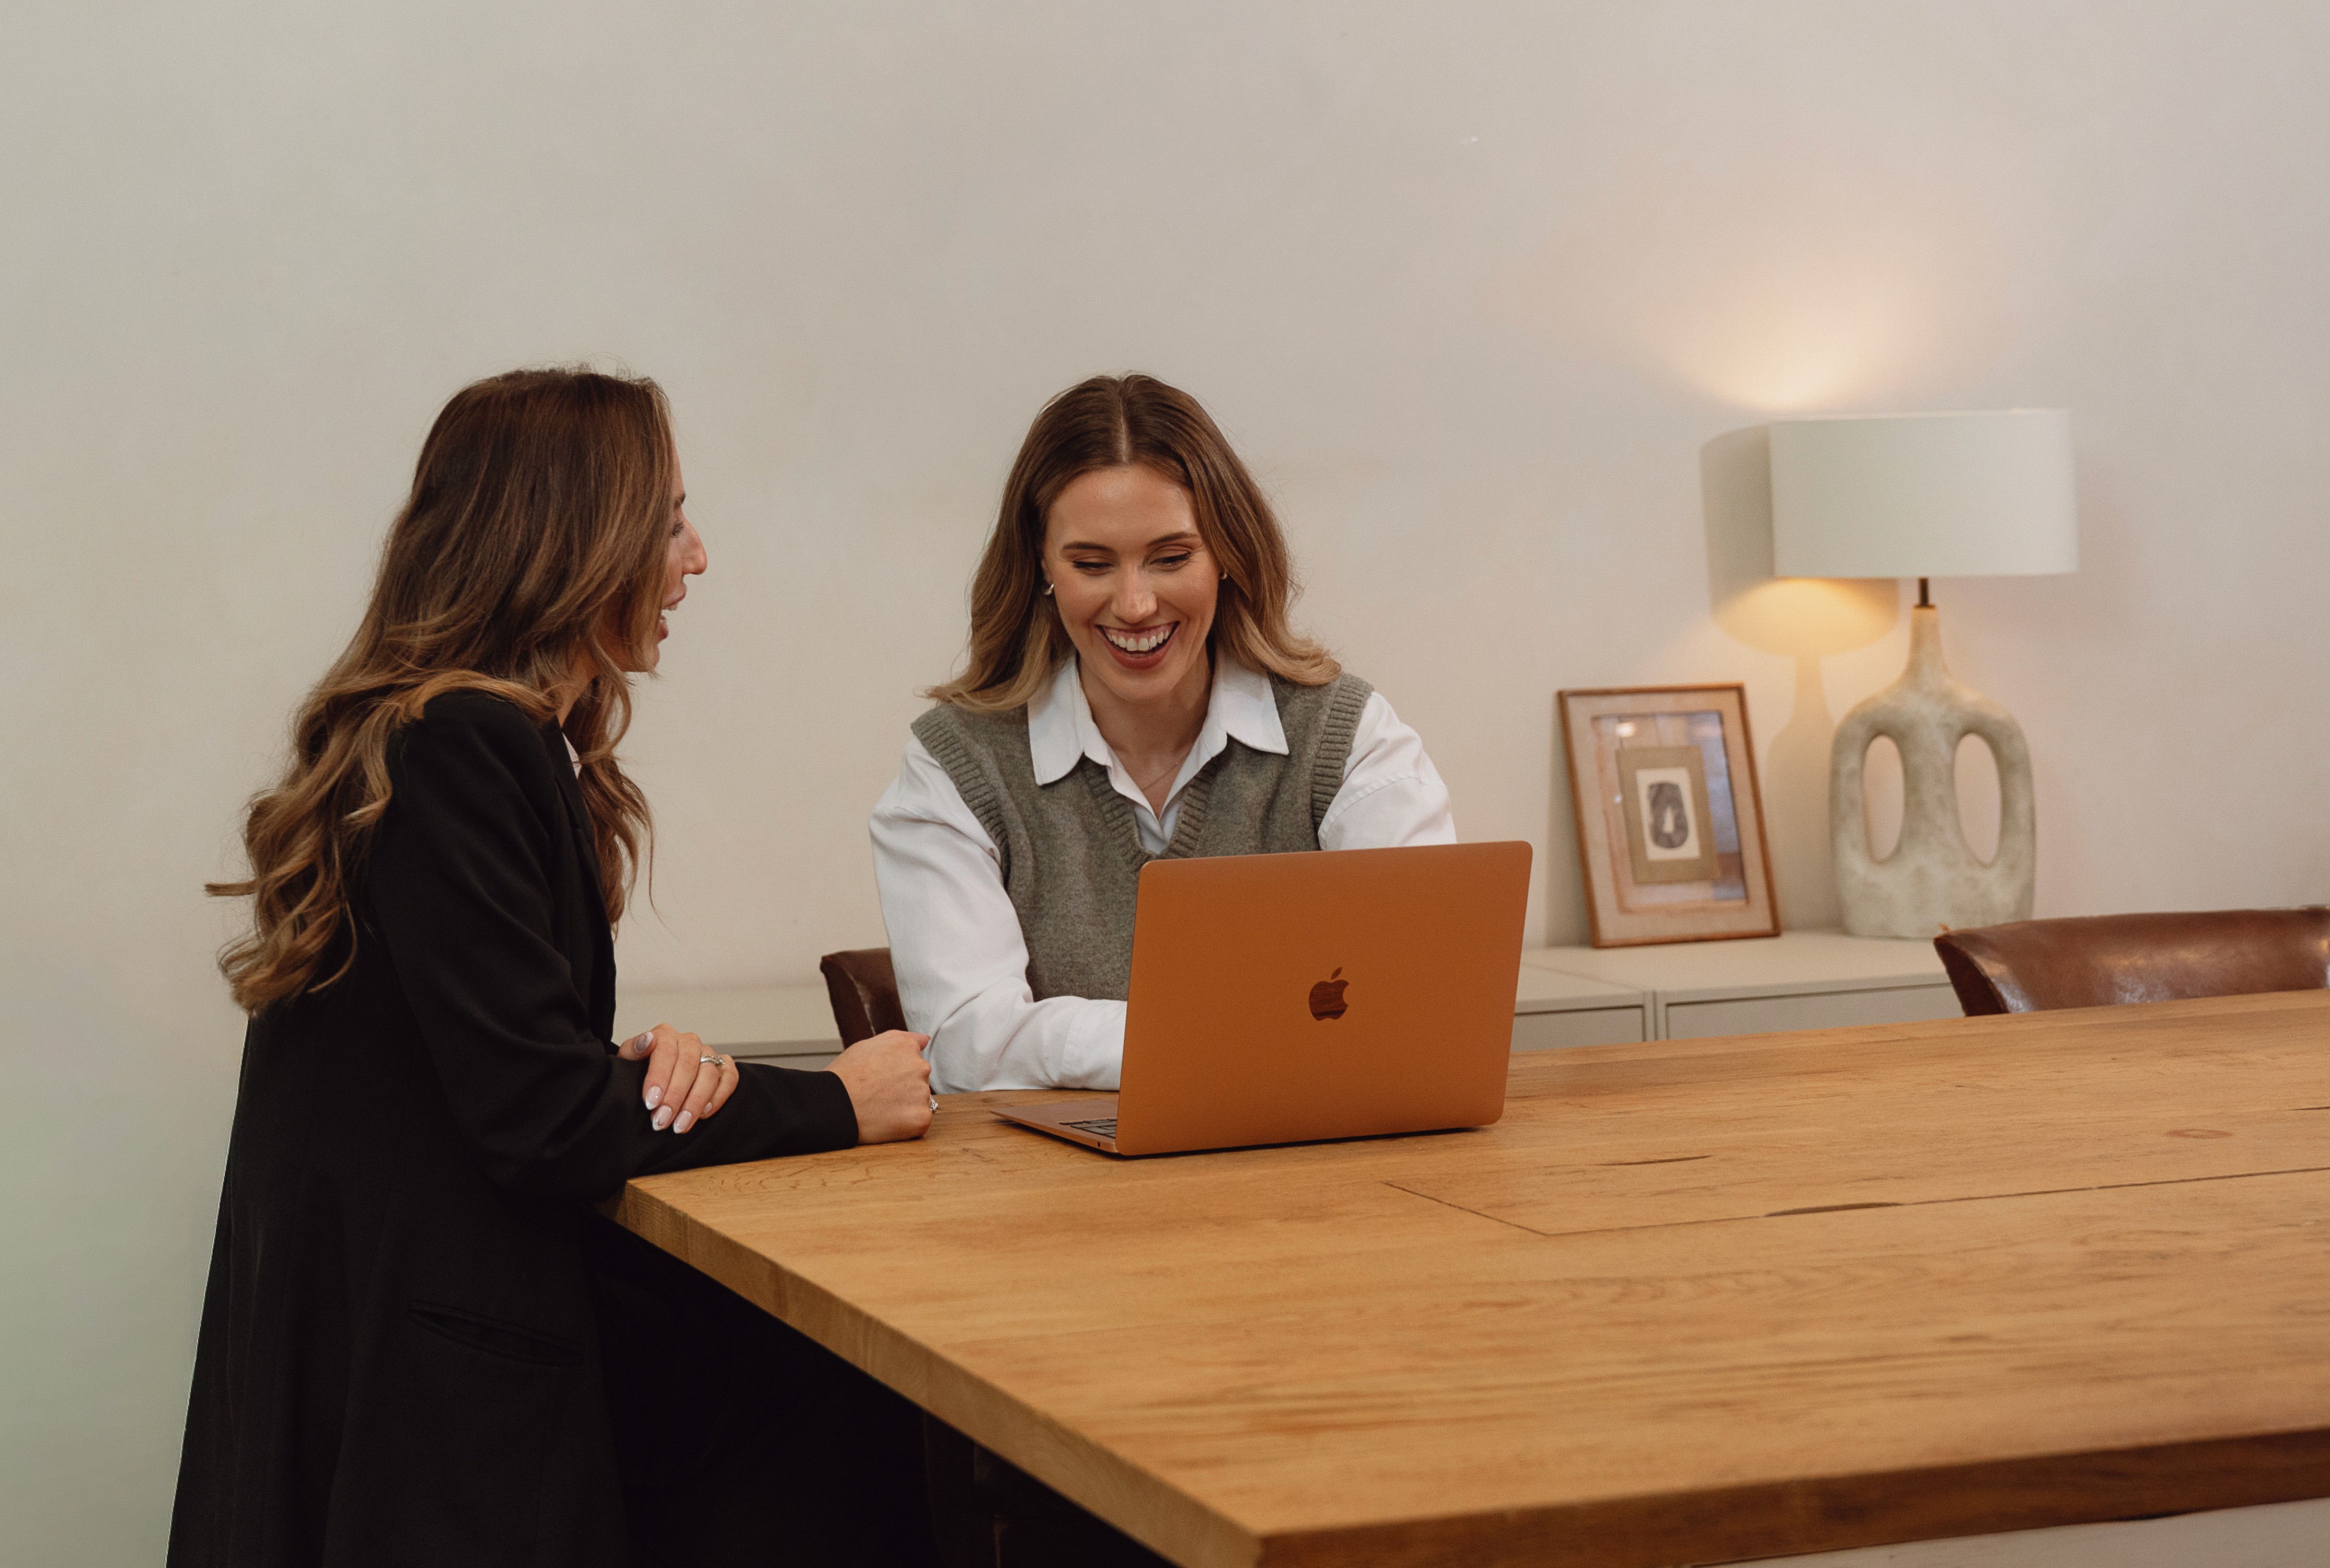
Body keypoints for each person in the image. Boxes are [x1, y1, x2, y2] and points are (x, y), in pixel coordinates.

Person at [170, 368, 936, 1567]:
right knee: (850, 1414)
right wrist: (842, 1098)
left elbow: (491, 1066)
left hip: (408, 1345)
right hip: (442, 1375)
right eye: (668, 519)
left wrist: (640, 1070)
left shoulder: (452, 740)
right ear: (574, 543)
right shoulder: (466, 748)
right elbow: (539, 1123)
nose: (695, 557)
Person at [872, 373, 1455, 1093]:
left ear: (1228, 557)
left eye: (1172, 558)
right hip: (1053, 1200)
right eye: (1091, 564)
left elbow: (1428, 1006)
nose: (1137, 604)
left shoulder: (1349, 739)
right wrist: (1227, 1034)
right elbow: (967, 1048)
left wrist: (1130, 1040)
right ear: (1042, 570)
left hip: (1309, 1177)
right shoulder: (955, 766)